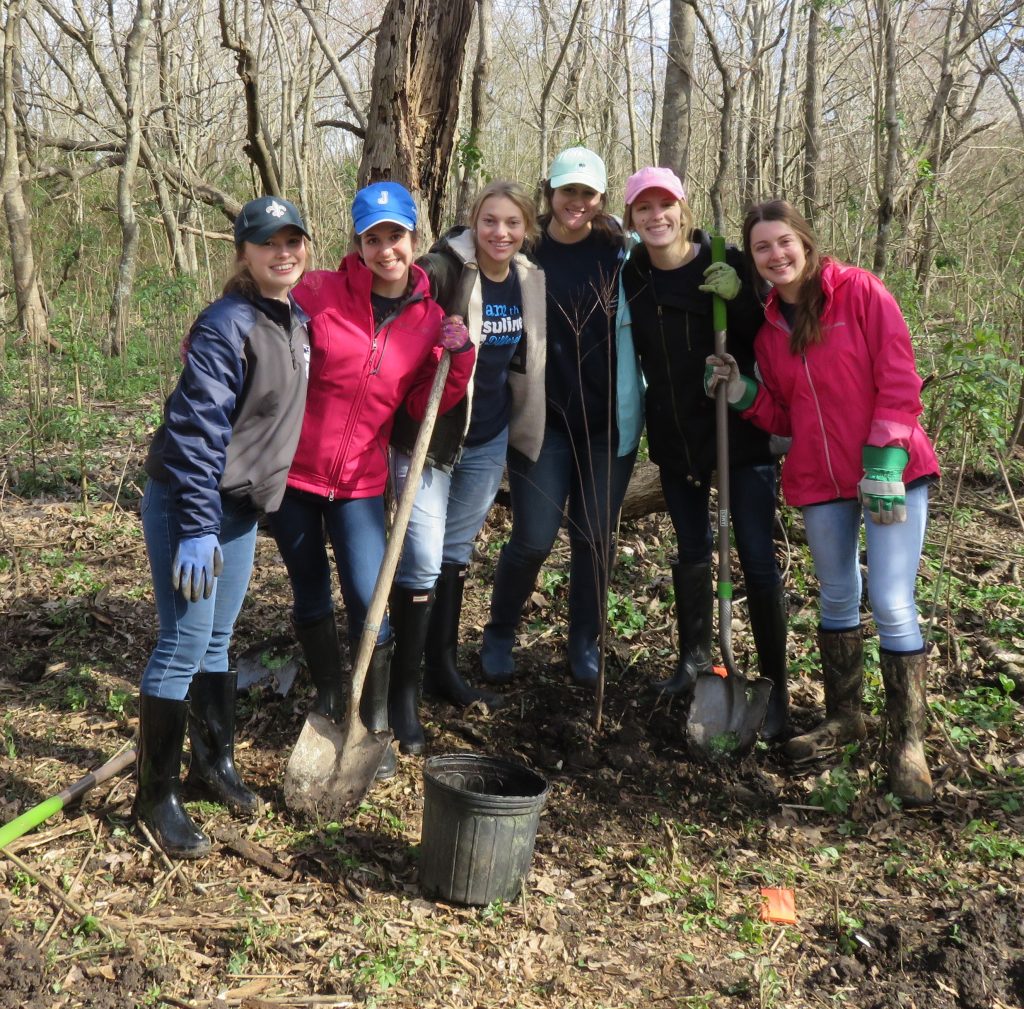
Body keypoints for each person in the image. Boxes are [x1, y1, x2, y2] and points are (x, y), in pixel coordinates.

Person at [707, 199, 940, 804]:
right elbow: (785, 413)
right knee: (837, 593)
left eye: (783, 242)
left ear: (806, 243)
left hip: (891, 471)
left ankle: (907, 745)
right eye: (762, 248)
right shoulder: (771, 327)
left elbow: (899, 376)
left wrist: (885, 457)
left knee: (890, 600)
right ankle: (846, 717)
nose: (776, 255)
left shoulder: (860, 292)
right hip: (820, 478)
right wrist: (744, 392)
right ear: (754, 259)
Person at [268, 181, 474, 780]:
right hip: (296, 476)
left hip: (360, 480)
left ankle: (374, 721)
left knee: (370, 596)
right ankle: (331, 700)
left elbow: (421, 408)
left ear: (415, 237)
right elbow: (262, 328)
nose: (386, 249)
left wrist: (454, 359)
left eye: (396, 236)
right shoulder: (318, 291)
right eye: (373, 238)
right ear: (357, 243)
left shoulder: (430, 319)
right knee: (309, 591)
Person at [136, 196, 312, 858]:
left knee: (218, 640)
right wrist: (196, 525)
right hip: (193, 505)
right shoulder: (226, 324)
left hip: (238, 510)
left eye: (293, 240)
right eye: (268, 242)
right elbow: (199, 428)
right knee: (183, 643)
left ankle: (212, 768)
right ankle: (155, 799)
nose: (283, 251)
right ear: (243, 253)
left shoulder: (295, 319)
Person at [616, 168, 789, 740]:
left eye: (665, 205)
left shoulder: (727, 259)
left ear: (682, 209)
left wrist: (741, 300)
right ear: (633, 217)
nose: (655, 217)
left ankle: (774, 683)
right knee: (692, 548)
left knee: (758, 558)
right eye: (644, 208)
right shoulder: (634, 271)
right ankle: (693, 657)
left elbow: (768, 336)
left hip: (736, 429)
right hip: (676, 433)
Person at [385, 181, 547, 754]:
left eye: (512, 223)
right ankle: (401, 697)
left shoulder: (529, 279)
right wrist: (433, 334)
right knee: (422, 558)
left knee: (454, 553)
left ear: (526, 228)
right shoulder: (442, 268)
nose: (500, 233)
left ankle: (443, 671)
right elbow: (398, 302)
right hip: (431, 437)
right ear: (472, 223)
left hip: (489, 438)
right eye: (489, 221)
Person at [480, 147, 639, 687]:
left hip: (606, 423)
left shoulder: (621, 251)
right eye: (567, 191)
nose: (577, 202)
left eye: (587, 193)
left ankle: (584, 642)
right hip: (543, 420)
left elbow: (676, 257)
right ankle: (500, 631)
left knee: (595, 539)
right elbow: (468, 253)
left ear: (600, 197)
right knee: (533, 539)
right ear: (549, 192)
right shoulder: (526, 247)